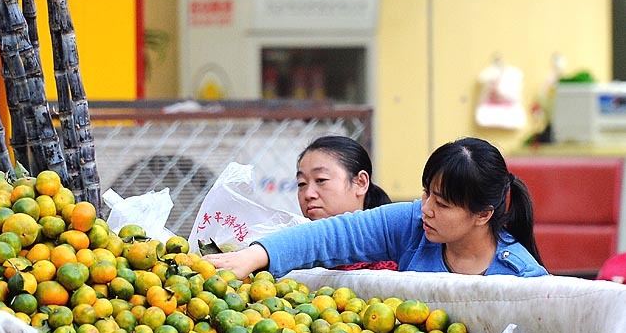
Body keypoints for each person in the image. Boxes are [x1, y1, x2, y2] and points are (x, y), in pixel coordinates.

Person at [205, 137, 548, 279]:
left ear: (483, 214)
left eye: (442, 204)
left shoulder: (522, 276)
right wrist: (255, 256)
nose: (426, 209)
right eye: (426, 193)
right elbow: (333, 235)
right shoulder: (412, 224)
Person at [296, 135, 397, 271]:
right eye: (301, 184)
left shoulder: (392, 255)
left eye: (321, 180)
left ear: (361, 182)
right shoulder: (298, 252)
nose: (308, 194)